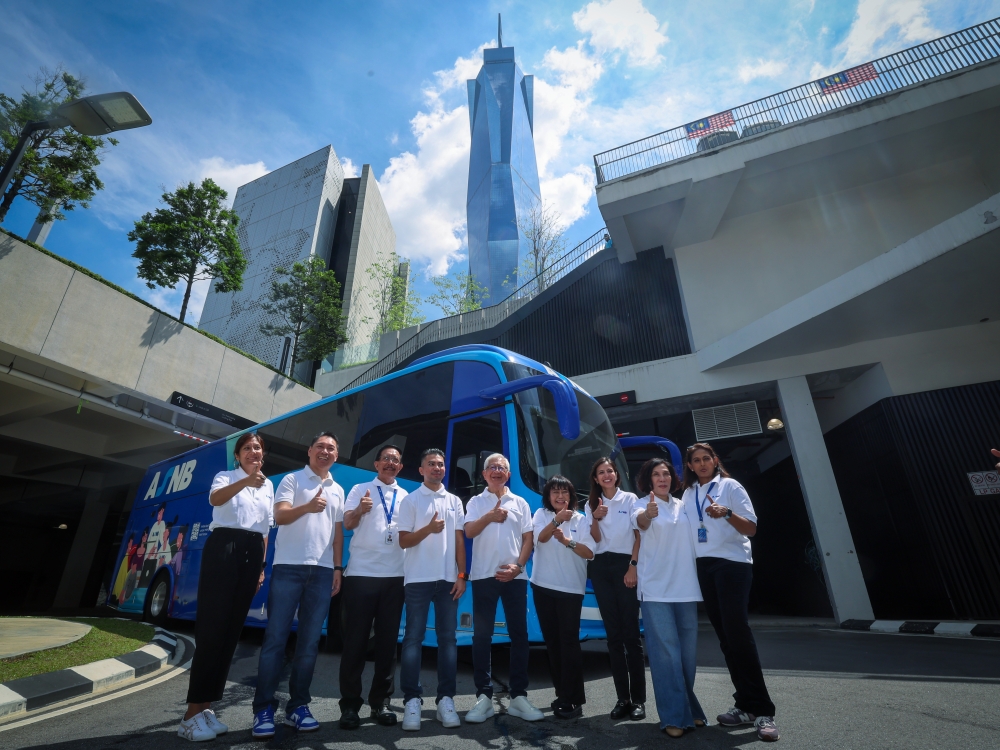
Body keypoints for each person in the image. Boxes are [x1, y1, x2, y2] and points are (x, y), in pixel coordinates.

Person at [178, 432, 274, 742]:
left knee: (231, 631)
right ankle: (190, 714)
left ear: (264, 455)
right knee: (212, 628)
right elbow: (215, 500)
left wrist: (260, 566)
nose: (253, 452)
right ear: (238, 455)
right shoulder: (226, 476)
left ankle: (207, 708)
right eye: (247, 448)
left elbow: (264, 529)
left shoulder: (268, 485)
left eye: (257, 448)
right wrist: (245, 482)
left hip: (251, 552)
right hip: (224, 547)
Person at [681, 442, 779, 742]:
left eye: (705, 459)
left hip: (733, 564)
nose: (701, 464)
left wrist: (725, 514)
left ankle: (763, 711)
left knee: (738, 633)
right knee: (725, 637)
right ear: (689, 466)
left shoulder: (731, 486)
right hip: (705, 566)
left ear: (715, 460)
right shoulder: (687, 494)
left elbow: (750, 529)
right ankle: (744, 705)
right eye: (695, 461)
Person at [251, 432, 344, 739]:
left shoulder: (338, 489)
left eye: (331, 448)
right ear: (309, 451)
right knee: (275, 640)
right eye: (321, 446)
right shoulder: (292, 480)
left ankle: (298, 706)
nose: (326, 451)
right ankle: (263, 708)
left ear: (336, 455)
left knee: (309, 644)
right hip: (288, 568)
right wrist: (307, 507)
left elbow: (338, 533)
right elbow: (279, 515)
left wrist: (337, 568)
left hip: (321, 572)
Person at [463, 453, 544, 724]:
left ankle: (519, 697)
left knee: (519, 634)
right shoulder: (475, 502)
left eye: (502, 468)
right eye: (492, 468)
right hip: (484, 576)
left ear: (508, 475)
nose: (497, 471)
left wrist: (518, 568)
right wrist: (490, 516)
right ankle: (483, 696)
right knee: (482, 636)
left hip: (514, 577)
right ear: (484, 474)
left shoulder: (520, 502)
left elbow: (528, 539)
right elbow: (470, 532)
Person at [633, 458, 706, 738]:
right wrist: (649, 515)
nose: (662, 478)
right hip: (656, 591)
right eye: (656, 474)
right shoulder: (641, 505)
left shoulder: (684, 504)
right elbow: (640, 524)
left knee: (686, 656)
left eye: (666, 474)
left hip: (686, 589)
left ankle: (690, 709)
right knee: (666, 656)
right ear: (648, 480)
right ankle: (674, 717)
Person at [338, 444, 409, 729]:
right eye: (386, 459)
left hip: (395, 577)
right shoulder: (359, 489)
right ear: (377, 464)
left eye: (396, 460)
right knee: (355, 642)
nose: (391, 463)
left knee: (387, 644)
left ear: (400, 468)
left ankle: (380, 702)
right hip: (361, 575)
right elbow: (347, 523)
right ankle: (350, 705)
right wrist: (359, 510)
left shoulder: (406, 496)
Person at [397, 448, 467, 731]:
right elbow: (403, 541)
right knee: (413, 639)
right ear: (421, 470)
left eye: (440, 464)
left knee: (448, 641)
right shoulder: (410, 500)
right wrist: (428, 529)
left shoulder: (454, 501)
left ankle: (446, 700)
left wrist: (462, 574)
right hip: (417, 579)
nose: (437, 468)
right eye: (431, 464)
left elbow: (460, 541)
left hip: (448, 580)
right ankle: (412, 701)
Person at [529, 475, 595, 719]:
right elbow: (539, 539)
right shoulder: (541, 516)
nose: (559, 496)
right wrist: (556, 521)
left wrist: (568, 541)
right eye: (554, 492)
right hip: (543, 586)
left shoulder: (581, 520)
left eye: (564, 492)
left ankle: (574, 699)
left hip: (570, 590)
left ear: (571, 495)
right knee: (553, 643)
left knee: (569, 644)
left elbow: (589, 553)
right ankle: (562, 693)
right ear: (548, 497)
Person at [586, 457, 646, 720]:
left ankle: (639, 701)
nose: (607, 475)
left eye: (610, 470)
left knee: (631, 634)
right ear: (596, 479)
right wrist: (596, 518)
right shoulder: (590, 505)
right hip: (600, 567)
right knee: (613, 637)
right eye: (601, 472)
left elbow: (638, 536)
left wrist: (633, 566)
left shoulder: (631, 499)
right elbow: (595, 539)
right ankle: (622, 698)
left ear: (616, 475)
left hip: (625, 564)